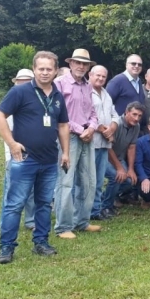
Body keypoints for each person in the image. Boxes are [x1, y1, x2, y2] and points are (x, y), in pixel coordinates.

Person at [0, 51, 69, 264]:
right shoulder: (20, 92)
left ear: (55, 71)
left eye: (49, 69)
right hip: (24, 160)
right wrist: (12, 144)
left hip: (48, 160)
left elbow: (63, 125)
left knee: (44, 203)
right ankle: (6, 247)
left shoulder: (57, 96)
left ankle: (41, 242)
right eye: (41, 68)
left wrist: (65, 152)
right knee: (15, 204)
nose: (45, 72)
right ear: (34, 69)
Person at [53, 48, 101, 240]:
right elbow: (57, 115)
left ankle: (82, 221)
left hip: (87, 137)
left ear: (89, 67)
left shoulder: (88, 86)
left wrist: (92, 128)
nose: (81, 66)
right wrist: (81, 130)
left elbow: (93, 113)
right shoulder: (59, 83)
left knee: (88, 180)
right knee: (66, 182)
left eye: (85, 64)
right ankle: (63, 226)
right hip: (68, 137)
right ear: (71, 64)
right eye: (78, 63)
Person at [0, 69, 36, 231]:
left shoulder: (36, 101)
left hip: (34, 153)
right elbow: (4, 126)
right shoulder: (11, 101)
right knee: (12, 191)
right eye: (21, 82)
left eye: (28, 81)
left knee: (32, 190)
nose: (24, 85)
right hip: (14, 153)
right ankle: (5, 224)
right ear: (16, 83)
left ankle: (31, 220)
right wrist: (12, 148)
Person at [88, 65, 119, 221]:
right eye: (97, 75)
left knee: (99, 180)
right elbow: (84, 116)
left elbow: (115, 115)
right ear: (90, 75)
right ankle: (83, 211)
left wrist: (112, 128)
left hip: (104, 144)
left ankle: (95, 210)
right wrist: (101, 129)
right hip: (90, 143)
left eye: (103, 77)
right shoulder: (85, 92)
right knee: (87, 180)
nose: (100, 79)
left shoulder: (106, 94)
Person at [104, 102, 144, 214]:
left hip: (120, 158)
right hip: (105, 157)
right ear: (126, 112)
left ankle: (105, 197)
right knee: (116, 177)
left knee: (130, 181)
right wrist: (119, 168)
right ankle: (106, 207)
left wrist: (130, 169)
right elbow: (108, 147)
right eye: (134, 114)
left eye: (139, 116)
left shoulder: (136, 126)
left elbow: (131, 147)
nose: (137, 118)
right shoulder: (116, 124)